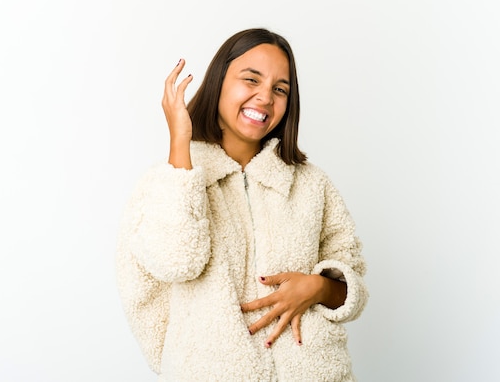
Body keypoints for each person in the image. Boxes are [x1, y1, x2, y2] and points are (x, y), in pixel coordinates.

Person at [116, 28, 368, 381]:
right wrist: (180, 144)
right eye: (251, 79)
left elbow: (351, 283)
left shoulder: (311, 184)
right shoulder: (166, 183)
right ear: (218, 81)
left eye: (280, 89)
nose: (265, 97)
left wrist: (319, 287)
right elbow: (174, 262)